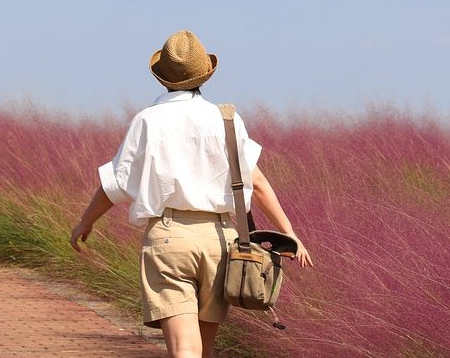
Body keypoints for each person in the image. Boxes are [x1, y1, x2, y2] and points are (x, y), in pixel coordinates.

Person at [70, 29, 314, 358]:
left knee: (185, 348)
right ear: (204, 76)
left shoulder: (147, 120)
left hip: (170, 238)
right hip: (221, 239)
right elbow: (256, 183)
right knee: (204, 349)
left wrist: (85, 222)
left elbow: (115, 184)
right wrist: (290, 234)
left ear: (162, 78)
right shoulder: (228, 119)